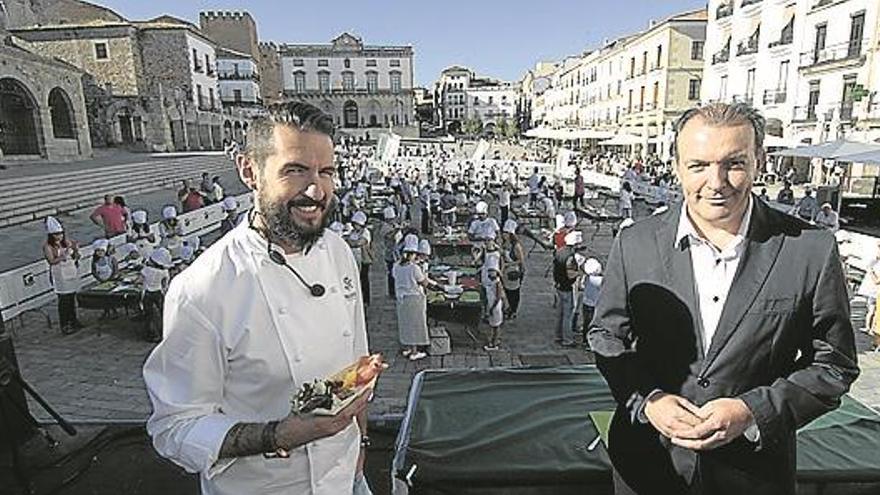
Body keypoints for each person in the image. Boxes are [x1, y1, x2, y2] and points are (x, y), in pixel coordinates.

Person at [588, 103, 858, 495]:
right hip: (645, 465)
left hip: (754, 473)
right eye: (698, 165)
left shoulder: (810, 250)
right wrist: (650, 400)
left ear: (758, 161)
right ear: (677, 165)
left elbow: (835, 364)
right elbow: (605, 336)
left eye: (733, 163)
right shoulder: (635, 243)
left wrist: (753, 411)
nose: (716, 182)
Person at [143, 102, 373, 495]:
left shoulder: (338, 251)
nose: (316, 190)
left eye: (326, 172)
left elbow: (357, 366)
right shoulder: (203, 288)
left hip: (346, 477)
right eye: (295, 170)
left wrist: (361, 445)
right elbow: (174, 429)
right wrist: (278, 435)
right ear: (249, 171)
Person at [394, 234, 439, 361]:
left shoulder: (396, 266)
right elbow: (424, 282)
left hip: (401, 299)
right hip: (414, 299)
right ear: (413, 254)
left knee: (405, 324)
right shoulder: (414, 268)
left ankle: (407, 347)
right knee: (415, 325)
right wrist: (437, 286)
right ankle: (414, 352)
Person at [43, 216, 83, 334]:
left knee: (71, 298)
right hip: (59, 274)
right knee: (63, 300)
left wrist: (76, 250)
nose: (59, 236)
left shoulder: (67, 242)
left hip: (70, 271)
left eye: (60, 234)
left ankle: (73, 320)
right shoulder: (48, 246)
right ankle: (65, 324)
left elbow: (76, 257)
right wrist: (62, 256)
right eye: (56, 234)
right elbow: (51, 261)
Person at [553, 230, 582, 347]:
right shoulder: (570, 257)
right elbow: (570, 274)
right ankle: (567, 339)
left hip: (558, 285)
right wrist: (579, 272)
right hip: (566, 287)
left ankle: (558, 335)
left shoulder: (559, 252)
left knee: (560, 313)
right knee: (567, 315)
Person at [140, 247, 172, 343]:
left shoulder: (146, 270)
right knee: (162, 313)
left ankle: (152, 334)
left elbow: (139, 280)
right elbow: (165, 284)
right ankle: (164, 332)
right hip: (158, 292)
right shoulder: (164, 272)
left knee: (149, 315)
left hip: (148, 293)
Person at [500, 219, 525, 319]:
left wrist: (509, 264)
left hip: (514, 271)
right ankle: (509, 307)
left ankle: (513, 310)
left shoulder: (516, 246)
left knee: (514, 292)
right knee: (507, 291)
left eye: (506, 233)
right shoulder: (504, 244)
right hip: (505, 271)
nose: (504, 235)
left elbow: (521, 260)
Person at [482, 255, 507, 351]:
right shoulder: (491, 282)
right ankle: (494, 340)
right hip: (492, 304)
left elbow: (498, 297)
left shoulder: (497, 283)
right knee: (493, 325)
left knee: (495, 326)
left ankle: (494, 343)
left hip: (495, 306)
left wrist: (491, 308)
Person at [91, 238, 119, 319]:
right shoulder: (94, 261)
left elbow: (115, 270)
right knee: (103, 298)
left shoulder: (111, 259)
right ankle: (106, 311)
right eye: (98, 251)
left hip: (111, 281)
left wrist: (111, 279)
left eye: (102, 251)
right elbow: (93, 271)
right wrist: (100, 280)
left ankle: (114, 311)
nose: (100, 252)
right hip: (101, 282)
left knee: (111, 298)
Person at [348, 211, 373, 307]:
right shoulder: (352, 232)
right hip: (354, 258)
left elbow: (359, 242)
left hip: (363, 259)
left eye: (356, 224)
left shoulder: (366, 232)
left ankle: (366, 299)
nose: (354, 226)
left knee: (364, 279)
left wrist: (351, 242)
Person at [579, 258, 602, 348]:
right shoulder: (599, 280)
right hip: (595, 305)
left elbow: (582, 286)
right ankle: (591, 342)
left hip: (586, 303)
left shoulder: (587, 278)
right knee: (593, 324)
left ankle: (584, 340)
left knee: (586, 323)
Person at [381, 206, 402, 298]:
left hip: (396, 253)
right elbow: (389, 236)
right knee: (391, 273)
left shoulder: (393, 225)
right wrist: (396, 230)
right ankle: (392, 292)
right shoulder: (385, 227)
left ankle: (396, 289)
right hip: (390, 253)